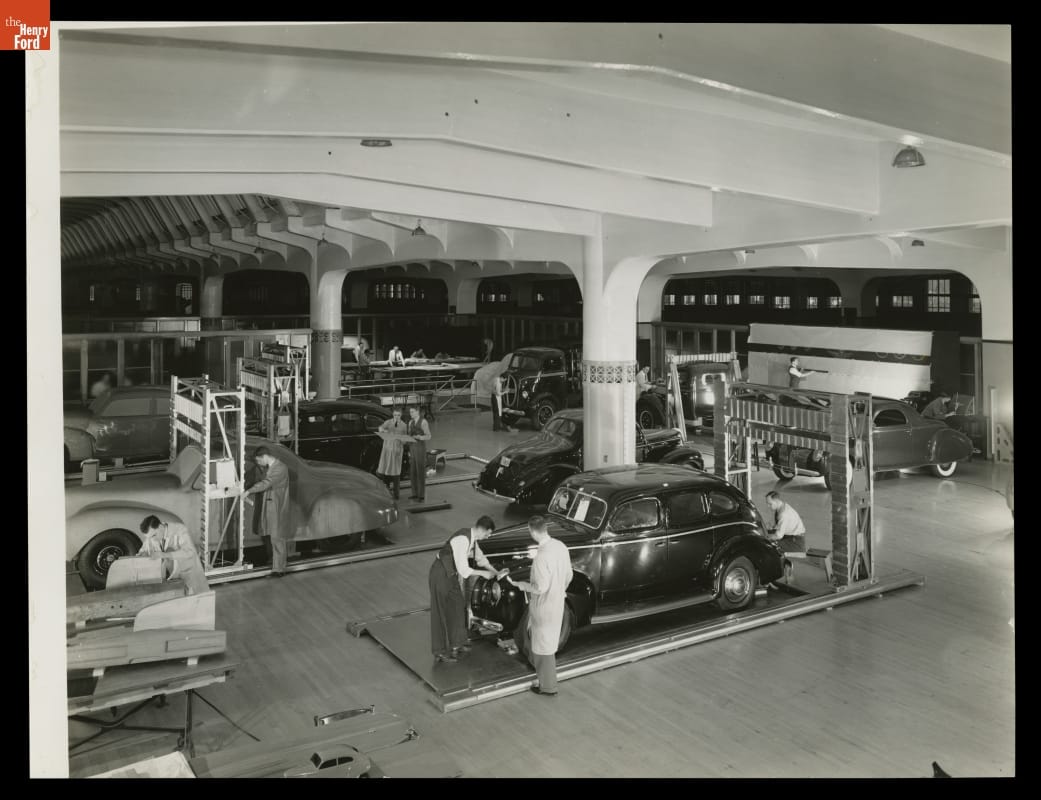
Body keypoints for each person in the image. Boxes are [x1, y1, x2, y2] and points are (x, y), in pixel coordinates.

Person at [506, 515, 574, 697]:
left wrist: (522, 585)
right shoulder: (560, 546)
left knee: (542, 648)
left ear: (532, 531)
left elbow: (540, 587)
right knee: (548, 645)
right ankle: (546, 682)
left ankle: (548, 687)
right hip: (558, 602)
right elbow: (569, 574)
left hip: (544, 607)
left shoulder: (541, 557)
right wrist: (559, 590)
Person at [429, 515, 502, 663]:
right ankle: (440, 652)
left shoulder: (472, 539)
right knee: (440, 611)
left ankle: (458, 642)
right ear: (483, 530)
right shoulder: (462, 539)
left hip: (451, 575)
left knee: (458, 605)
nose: (487, 537)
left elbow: (481, 560)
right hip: (440, 573)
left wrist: (496, 573)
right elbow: (464, 570)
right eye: (488, 534)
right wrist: (484, 574)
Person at [245, 445, 291, 577]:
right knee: (272, 537)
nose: (258, 463)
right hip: (270, 506)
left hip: (277, 507)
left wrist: (249, 491)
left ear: (264, 457)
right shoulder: (269, 468)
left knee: (277, 538)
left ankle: (279, 569)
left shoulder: (280, 468)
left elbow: (267, 483)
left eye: (258, 460)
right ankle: (276, 566)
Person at [138, 515, 209, 595]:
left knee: (200, 599)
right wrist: (142, 554)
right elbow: (143, 550)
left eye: (154, 535)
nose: (153, 539)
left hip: (190, 575)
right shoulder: (151, 536)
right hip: (174, 581)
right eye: (149, 537)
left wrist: (165, 555)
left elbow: (190, 552)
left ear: (160, 526)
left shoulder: (180, 529)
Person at [376, 406, 409, 499]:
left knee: (395, 473)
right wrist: (382, 430)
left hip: (396, 452)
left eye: (398, 415)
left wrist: (402, 439)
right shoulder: (388, 422)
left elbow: (405, 440)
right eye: (395, 415)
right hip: (387, 450)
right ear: (393, 415)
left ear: (401, 415)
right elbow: (380, 428)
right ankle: (385, 492)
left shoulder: (404, 425)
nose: (396, 417)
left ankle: (396, 495)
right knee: (384, 471)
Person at [406, 406, 432, 502]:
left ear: (417, 412)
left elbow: (429, 436)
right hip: (412, 447)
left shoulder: (423, 422)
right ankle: (414, 493)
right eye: (410, 412)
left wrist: (420, 437)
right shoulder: (410, 422)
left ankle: (421, 495)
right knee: (412, 471)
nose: (411, 414)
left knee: (420, 471)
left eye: (412, 412)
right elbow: (409, 435)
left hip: (420, 448)